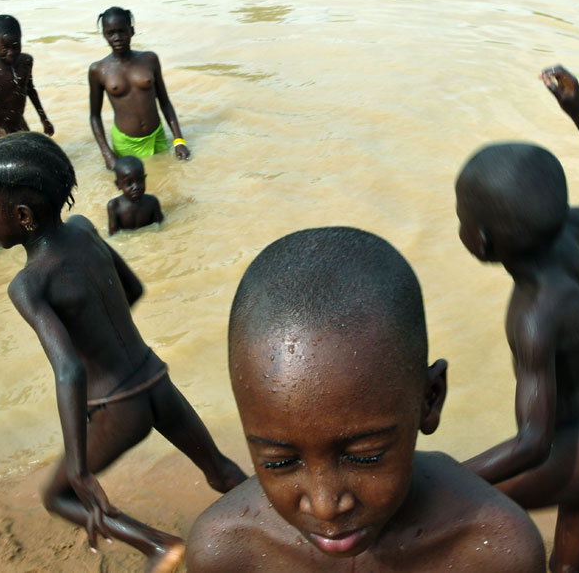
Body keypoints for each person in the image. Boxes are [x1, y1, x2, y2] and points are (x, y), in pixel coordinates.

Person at [187, 226, 546, 573]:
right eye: (280, 463)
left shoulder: (493, 550)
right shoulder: (228, 551)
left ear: (429, 399)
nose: (326, 507)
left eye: (366, 456)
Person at [0, 132, 245, 573]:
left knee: (57, 496)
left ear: (21, 216)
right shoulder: (84, 229)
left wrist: (78, 468)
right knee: (222, 472)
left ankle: (157, 546)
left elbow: (69, 371)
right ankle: (286, 531)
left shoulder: (28, 284)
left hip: (119, 407)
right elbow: (132, 288)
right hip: (156, 379)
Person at [454, 65, 579, 573]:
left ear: (484, 243)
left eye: (462, 218)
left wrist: (446, 475)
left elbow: (533, 443)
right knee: (568, 568)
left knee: (438, 507)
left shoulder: (532, 314)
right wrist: (578, 113)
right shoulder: (569, 231)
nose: (460, 225)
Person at [89, 6, 189, 167]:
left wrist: (179, 140)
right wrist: (107, 153)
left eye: (122, 31)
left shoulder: (149, 59)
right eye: (110, 33)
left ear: (132, 31)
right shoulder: (98, 70)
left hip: (157, 137)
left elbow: (165, 102)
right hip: (125, 144)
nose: (117, 37)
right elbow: (95, 116)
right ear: (104, 35)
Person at [0, 15, 54, 139]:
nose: (11, 53)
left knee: (31, 147)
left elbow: (30, 90)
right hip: (0, 124)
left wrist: (44, 118)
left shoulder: (26, 61)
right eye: (4, 48)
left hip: (18, 119)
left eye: (16, 46)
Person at [107, 156, 163, 234]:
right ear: (118, 185)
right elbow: (113, 235)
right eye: (129, 183)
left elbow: (161, 227)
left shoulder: (152, 202)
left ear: (144, 178)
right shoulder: (114, 206)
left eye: (140, 180)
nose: (136, 187)